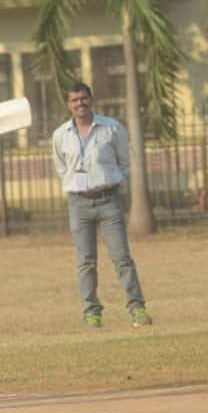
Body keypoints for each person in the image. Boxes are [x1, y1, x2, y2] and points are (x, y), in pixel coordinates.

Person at [51, 82, 152, 330]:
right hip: (79, 204)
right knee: (86, 261)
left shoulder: (111, 128)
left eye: (83, 99)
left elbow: (124, 162)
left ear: (91, 100)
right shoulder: (60, 135)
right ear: (69, 104)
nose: (80, 104)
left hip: (109, 201)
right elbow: (61, 167)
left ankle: (137, 308)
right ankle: (91, 312)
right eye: (74, 100)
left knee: (121, 258)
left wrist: (108, 184)